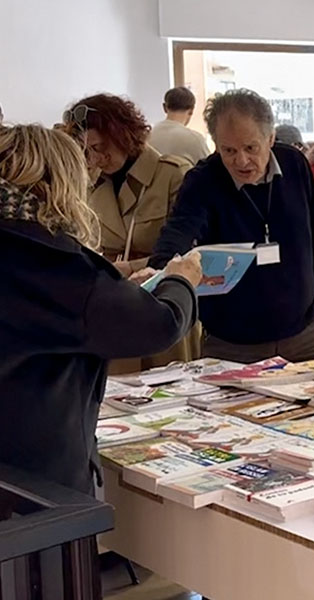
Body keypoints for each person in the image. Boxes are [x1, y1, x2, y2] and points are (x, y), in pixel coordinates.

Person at [0, 124, 200, 495]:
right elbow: (160, 324)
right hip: (40, 485)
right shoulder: (54, 265)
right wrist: (181, 280)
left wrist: (117, 288)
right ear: (58, 185)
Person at [148, 88, 314, 364]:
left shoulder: (294, 164)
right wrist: (161, 265)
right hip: (232, 343)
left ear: (270, 138)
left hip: (305, 333)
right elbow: (180, 229)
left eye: (251, 148)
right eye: (229, 150)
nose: (241, 160)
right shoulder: (203, 180)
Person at [63, 93, 199, 372]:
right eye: (88, 151)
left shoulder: (173, 174)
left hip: (166, 300)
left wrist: (132, 266)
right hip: (116, 308)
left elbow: (191, 250)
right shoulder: (89, 184)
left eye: (102, 147)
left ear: (122, 133)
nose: (97, 158)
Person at [147, 86, 211, 165]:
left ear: (164, 107)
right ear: (191, 111)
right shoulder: (195, 140)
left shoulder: (147, 135)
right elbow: (210, 171)